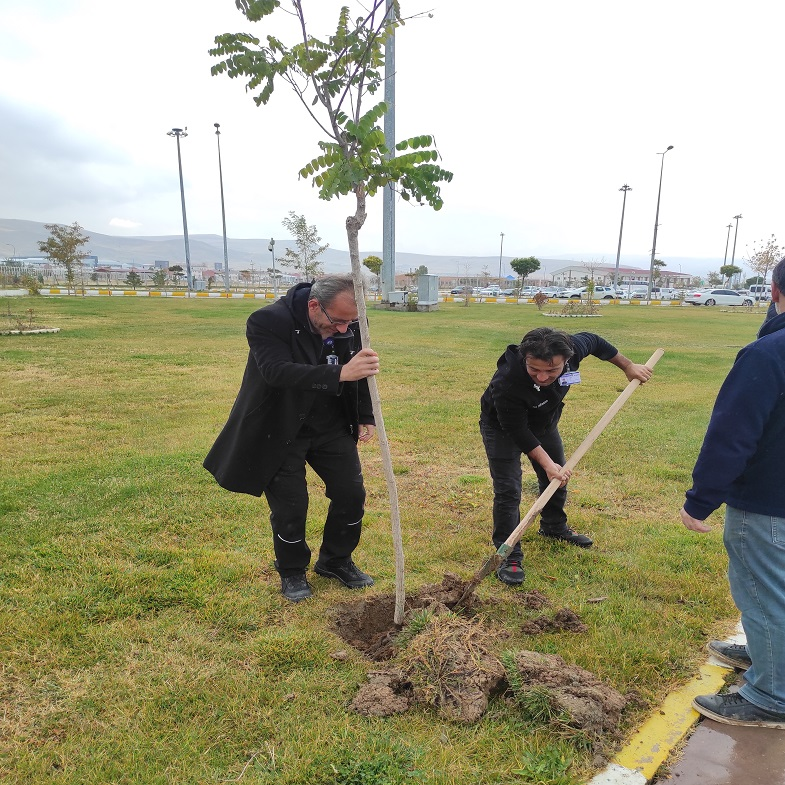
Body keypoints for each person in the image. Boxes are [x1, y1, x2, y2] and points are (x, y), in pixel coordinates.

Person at [204, 274, 380, 602]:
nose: (344, 329)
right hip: (280, 428)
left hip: (331, 426)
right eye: (338, 321)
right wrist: (340, 373)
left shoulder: (350, 321)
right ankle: (292, 571)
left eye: (351, 322)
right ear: (314, 306)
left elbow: (360, 369)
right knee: (292, 505)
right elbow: (276, 371)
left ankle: (336, 561)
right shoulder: (268, 321)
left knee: (351, 493)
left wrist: (365, 415)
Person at [680, 257, 785, 729]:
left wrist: (701, 498)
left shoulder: (768, 354)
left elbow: (733, 434)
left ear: (774, 290)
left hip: (768, 501)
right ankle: (766, 657)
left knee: (765, 594)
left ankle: (772, 695)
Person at [479, 326, 652, 585]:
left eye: (552, 370)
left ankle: (553, 527)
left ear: (566, 360)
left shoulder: (572, 348)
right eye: (534, 369)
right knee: (508, 490)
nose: (542, 376)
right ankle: (509, 553)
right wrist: (548, 465)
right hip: (502, 429)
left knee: (557, 478)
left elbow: (595, 341)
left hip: (544, 422)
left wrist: (627, 366)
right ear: (525, 357)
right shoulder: (508, 381)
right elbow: (517, 430)